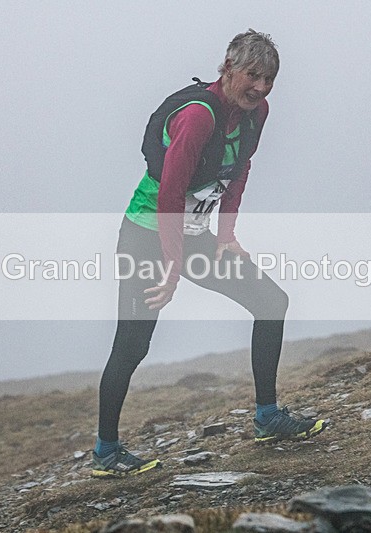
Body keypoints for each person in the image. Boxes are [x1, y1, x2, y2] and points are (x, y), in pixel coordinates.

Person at [92, 29, 327, 478]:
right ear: (228, 69)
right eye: (252, 75)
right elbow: (170, 195)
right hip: (148, 233)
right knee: (133, 343)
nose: (259, 87)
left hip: (194, 232)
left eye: (269, 79)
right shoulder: (199, 116)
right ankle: (106, 451)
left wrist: (226, 234)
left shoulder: (256, 113)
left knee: (271, 302)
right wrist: (174, 266)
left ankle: (267, 418)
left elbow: (240, 170)